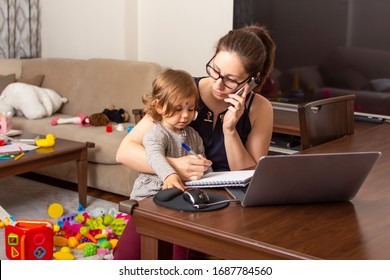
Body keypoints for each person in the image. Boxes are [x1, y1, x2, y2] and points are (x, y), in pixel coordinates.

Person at [114, 24, 276, 259]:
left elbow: (250, 176)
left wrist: (230, 129)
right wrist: (175, 167)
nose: (218, 84)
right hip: (170, 190)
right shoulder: (183, 90)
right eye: (215, 70)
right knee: (125, 258)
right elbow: (125, 151)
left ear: (252, 81)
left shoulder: (260, 108)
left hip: (222, 204)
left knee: (183, 257)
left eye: (231, 80)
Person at [113, 68, 210, 259]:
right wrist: (170, 174)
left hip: (180, 197)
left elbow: (200, 160)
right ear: (158, 106)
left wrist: (203, 166)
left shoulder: (193, 136)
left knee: (179, 247)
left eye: (190, 109)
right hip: (150, 197)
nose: (185, 115)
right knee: (127, 254)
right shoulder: (156, 133)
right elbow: (154, 156)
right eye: (177, 109)